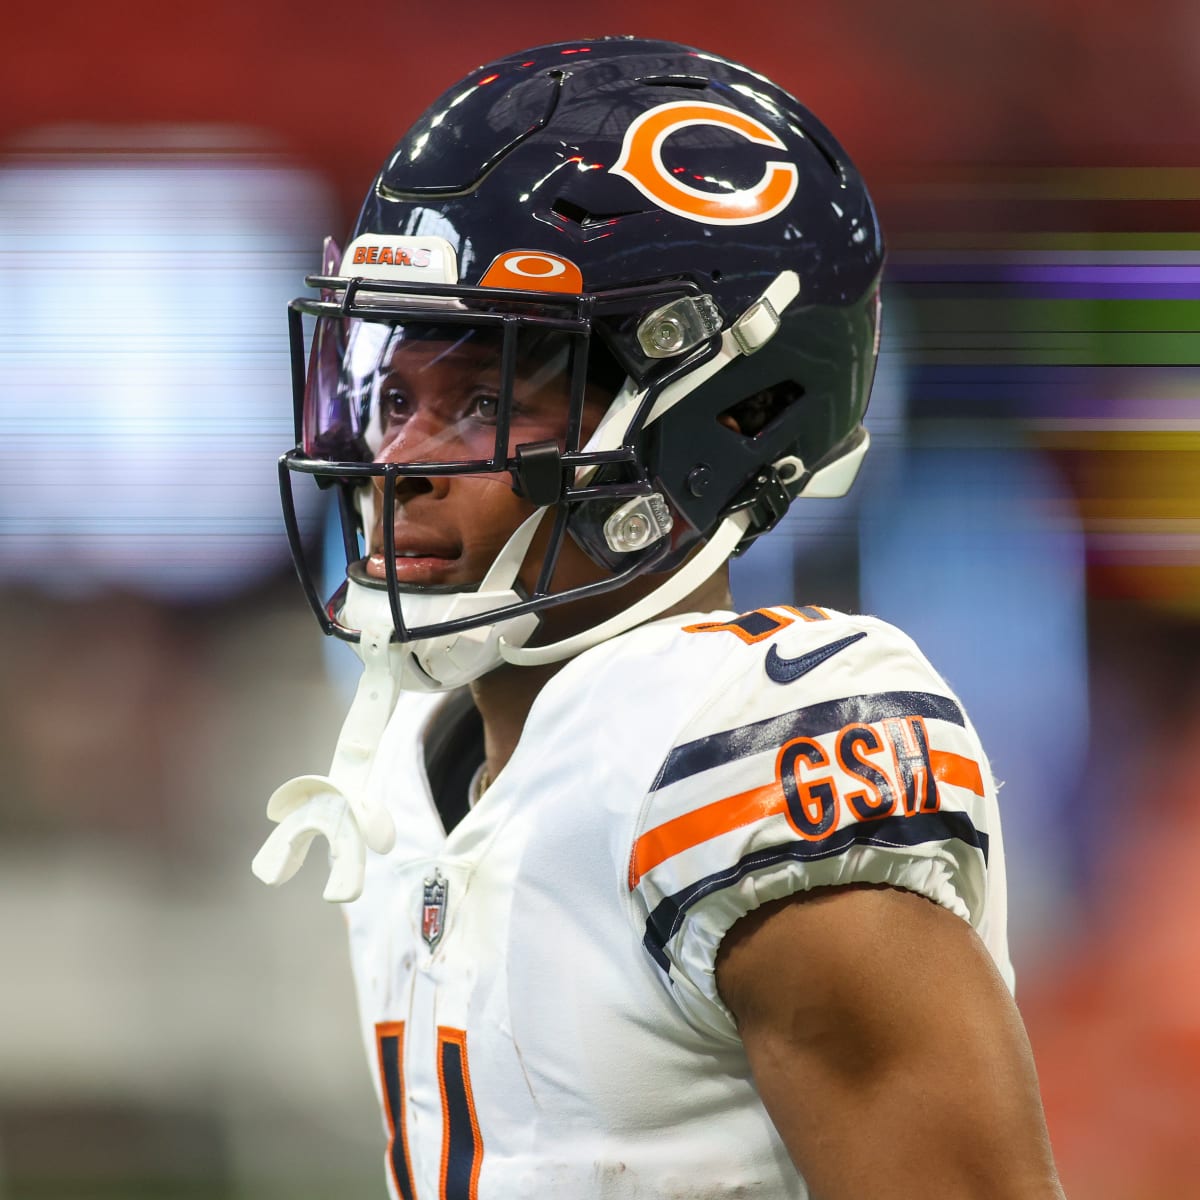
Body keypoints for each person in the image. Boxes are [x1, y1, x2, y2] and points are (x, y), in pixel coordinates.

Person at [253, 36, 1064, 1199]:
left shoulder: (744, 755)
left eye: (484, 399)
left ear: (717, 414)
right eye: (390, 395)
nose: (398, 460)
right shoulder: (400, 775)